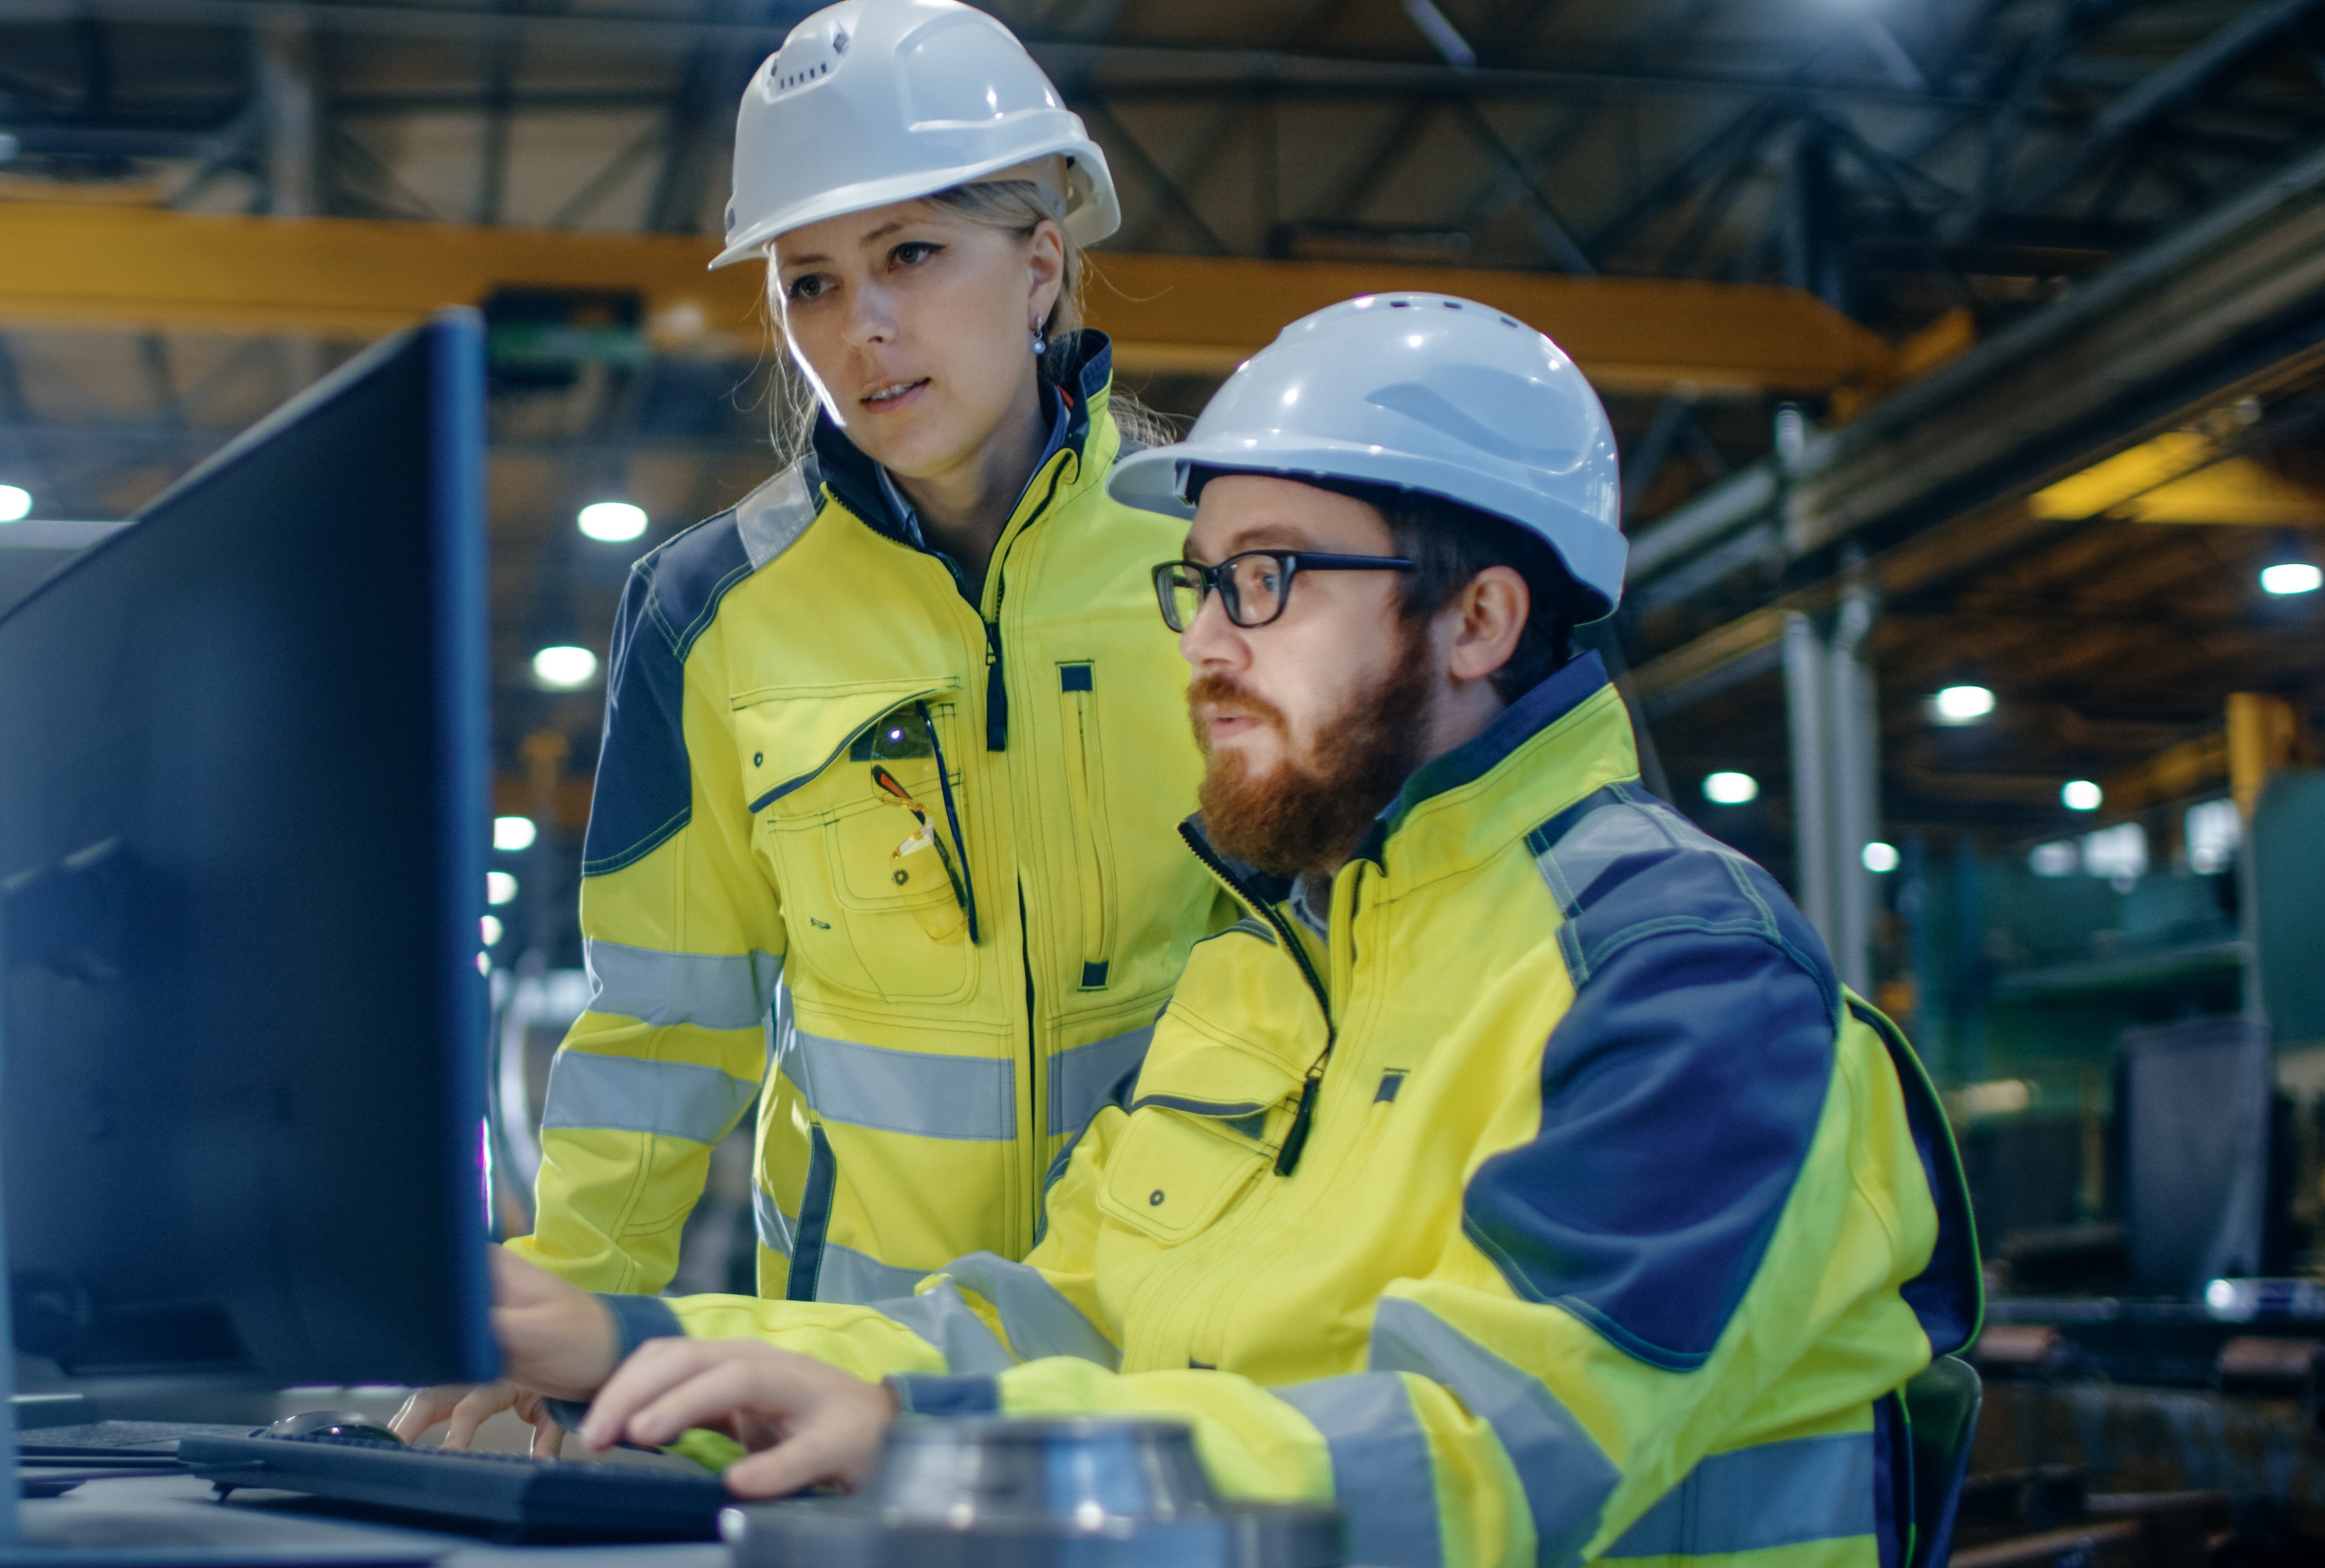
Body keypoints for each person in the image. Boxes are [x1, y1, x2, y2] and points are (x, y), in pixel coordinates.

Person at [461, 295, 1982, 1567]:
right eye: (1199, 585)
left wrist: (943, 1455)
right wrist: (625, 1339)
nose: (1198, 642)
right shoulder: (1271, 970)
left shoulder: (1682, 985)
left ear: (1478, 621)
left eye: (1264, 580)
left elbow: (1480, 1456)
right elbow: (1051, 1319)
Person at [397, 0, 1227, 1450]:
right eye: (810, 282)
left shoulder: (1220, 562)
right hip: (854, 1369)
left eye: (911, 254)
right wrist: (566, 1324)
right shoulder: (710, 611)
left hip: (1193, 1344)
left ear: (1039, 265)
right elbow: (665, 1022)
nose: (864, 329)